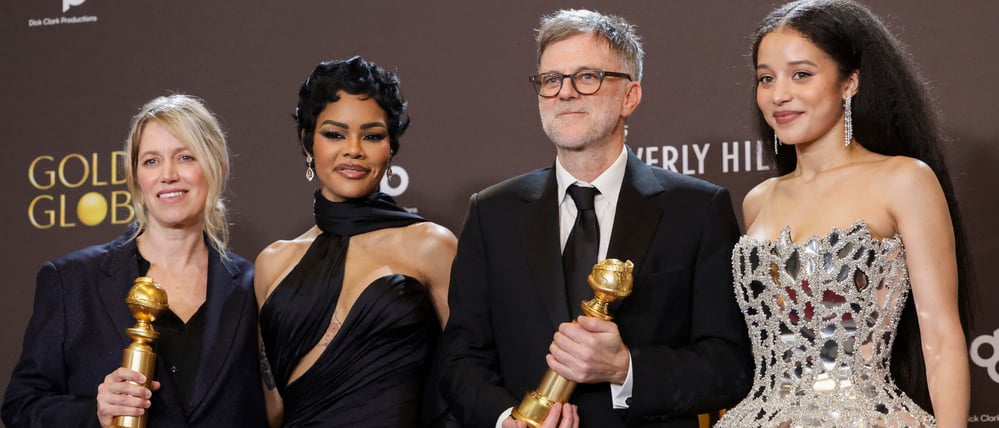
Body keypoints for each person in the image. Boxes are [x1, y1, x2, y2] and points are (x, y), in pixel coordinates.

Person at [440, 9, 753, 428]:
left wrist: (626, 368)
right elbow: (461, 359)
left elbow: (730, 365)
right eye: (551, 80)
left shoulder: (697, 209)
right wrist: (506, 420)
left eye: (587, 77)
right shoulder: (491, 213)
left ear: (630, 96)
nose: (565, 93)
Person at [715, 0, 974, 426]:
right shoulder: (759, 199)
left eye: (801, 74)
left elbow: (942, 337)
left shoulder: (903, 180)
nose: (779, 94)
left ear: (849, 82)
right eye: (766, 78)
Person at [2, 94, 267, 427]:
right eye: (151, 161)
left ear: (216, 166)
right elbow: (21, 407)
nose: (167, 174)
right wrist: (94, 414)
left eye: (185, 157)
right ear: (136, 176)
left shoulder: (253, 286)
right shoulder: (72, 280)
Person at [254, 56, 457, 427]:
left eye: (373, 135)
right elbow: (269, 409)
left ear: (390, 147)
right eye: (335, 134)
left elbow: (467, 378)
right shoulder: (273, 263)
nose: (354, 149)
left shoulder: (431, 246)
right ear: (307, 142)